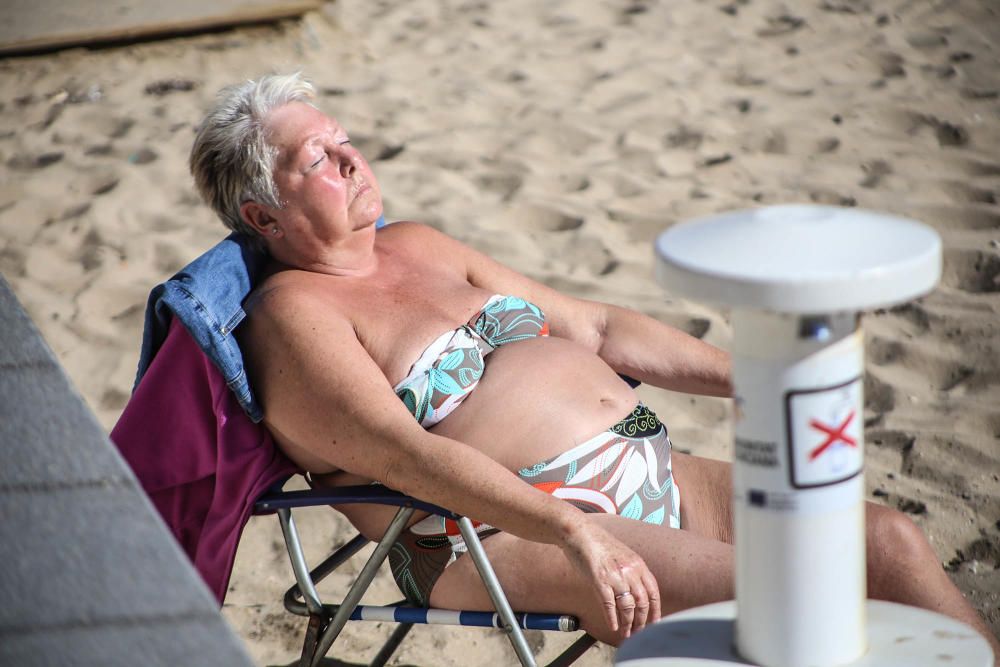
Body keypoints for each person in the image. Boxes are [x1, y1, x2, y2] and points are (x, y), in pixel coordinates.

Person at [189, 73, 999, 656]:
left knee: (888, 542)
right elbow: (407, 456)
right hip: (501, 531)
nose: (350, 159)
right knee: (804, 595)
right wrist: (574, 530)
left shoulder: (418, 244)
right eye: (318, 160)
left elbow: (600, 329)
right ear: (266, 213)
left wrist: (759, 377)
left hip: (653, 470)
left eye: (344, 141)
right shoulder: (294, 317)